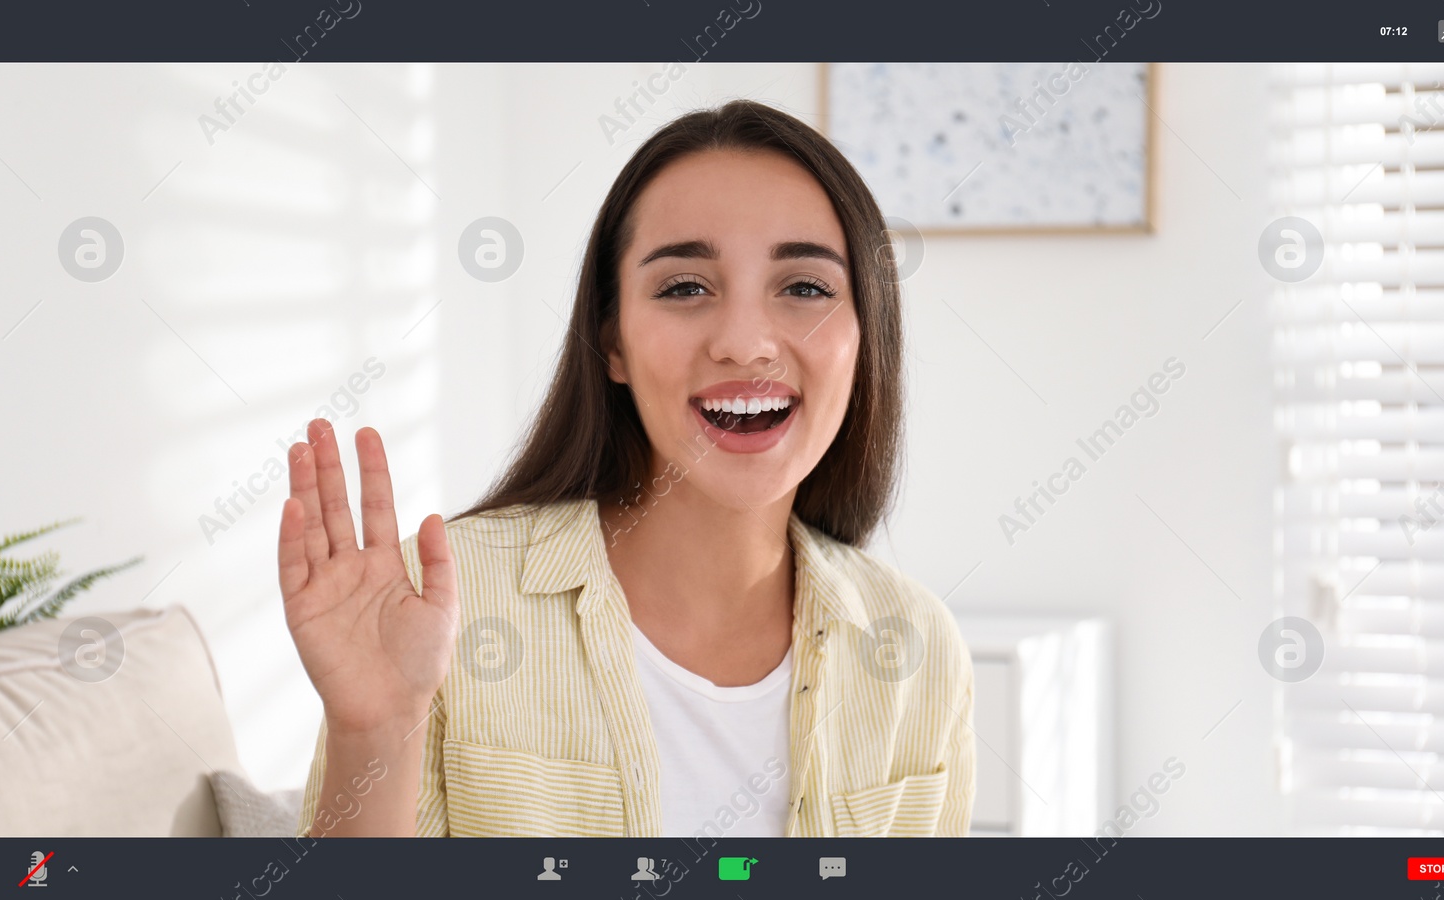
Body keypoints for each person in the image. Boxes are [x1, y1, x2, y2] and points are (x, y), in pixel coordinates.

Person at [280, 99, 975, 838]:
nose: (744, 343)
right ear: (611, 342)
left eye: (805, 288)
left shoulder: (917, 645)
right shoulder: (440, 610)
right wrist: (374, 734)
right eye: (685, 288)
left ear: (866, 338)